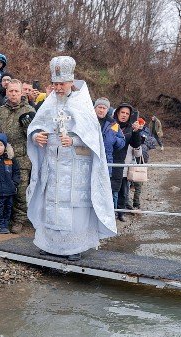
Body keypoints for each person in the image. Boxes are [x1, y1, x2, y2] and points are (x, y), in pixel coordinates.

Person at [26, 56, 116, 260]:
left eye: (61, 84)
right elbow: (37, 126)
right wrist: (36, 135)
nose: (57, 88)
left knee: (72, 206)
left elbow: (94, 138)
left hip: (76, 167)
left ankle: (75, 247)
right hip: (53, 164)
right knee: (52, 202)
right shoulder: (50, 103)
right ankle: (50, 244)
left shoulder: (82, 104)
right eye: (55, 84)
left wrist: (74, 141)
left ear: (71, 83)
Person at [0, 79, 35, 233]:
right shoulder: (1, 111)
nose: (13, 94)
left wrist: (28, 128)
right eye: (11, 91)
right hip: (2, 158)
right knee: (2, 189)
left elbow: (35, 136)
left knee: (20, 190)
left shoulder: (29, 111)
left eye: (16, 91)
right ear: (7, 92)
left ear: (21, 93)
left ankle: (19, 219)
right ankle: (2, 217)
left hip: (21, 158)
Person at [111, 102, 143, 220]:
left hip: (123, 165)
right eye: (122, 112)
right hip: (110, 162)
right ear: (117, 113)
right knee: (111, 191)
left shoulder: (130, 128)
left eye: (127, 114)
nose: (124, 115)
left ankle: (120, 213)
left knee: (123, 192)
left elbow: (135, 144)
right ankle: (111, 213)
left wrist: (136, 132)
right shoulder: (111, 124)